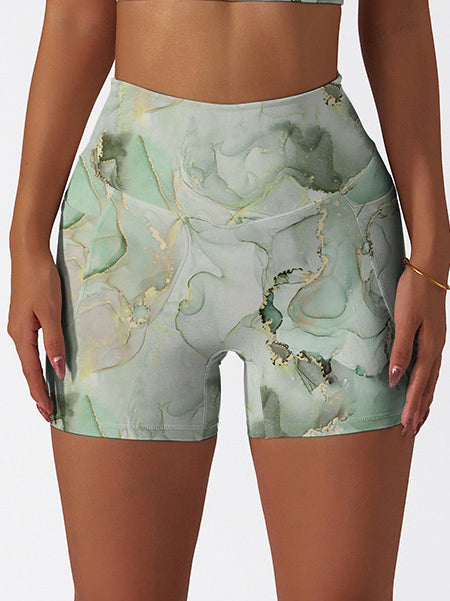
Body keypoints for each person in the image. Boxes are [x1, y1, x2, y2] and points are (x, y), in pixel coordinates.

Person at [8, 0, 449, 599]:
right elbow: (76, 19)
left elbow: (398, 22)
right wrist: (25, 239)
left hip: (330, 231)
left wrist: (433, 258)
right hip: (129, 232)